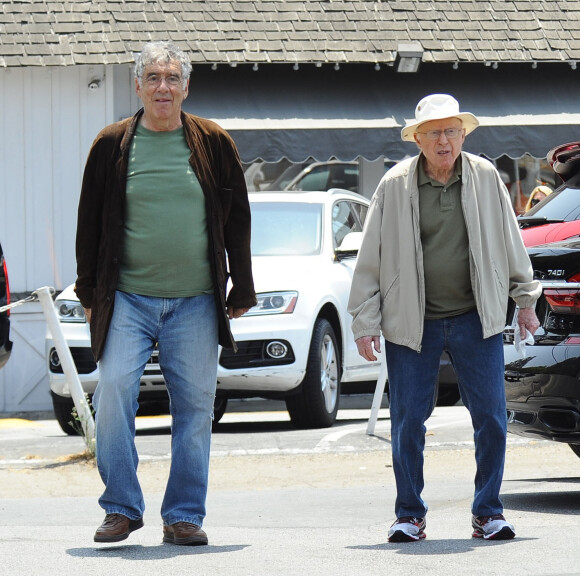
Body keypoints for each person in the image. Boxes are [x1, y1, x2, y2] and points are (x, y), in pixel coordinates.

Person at [74, 41, 256, 546]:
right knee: (112, 395)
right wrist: (88, 290)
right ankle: (121, 507)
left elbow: (237, 218)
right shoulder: (112, 144)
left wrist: (242, 283)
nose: (163, 87)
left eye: (172, 78)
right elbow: (88, 223)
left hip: (196, 299)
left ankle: (183, 516)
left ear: (186, 86)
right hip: (127, 297)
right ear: (137, 85)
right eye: (153, 77)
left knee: (196, 408)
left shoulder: (213, 142)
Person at [348, 94, 541, 543]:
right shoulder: (394, 185)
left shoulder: (486, 177)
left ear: (463, 135)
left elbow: (511, 241)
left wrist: (526, 298)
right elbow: (370, 256)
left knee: (491, 417)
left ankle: (488, 512)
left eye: (452, 130)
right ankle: (409, 514)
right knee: (407, 421)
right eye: (434, 132)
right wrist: (364, 320)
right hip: (412, 323)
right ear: (417, 138)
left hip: (478, 317)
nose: (444, 140)